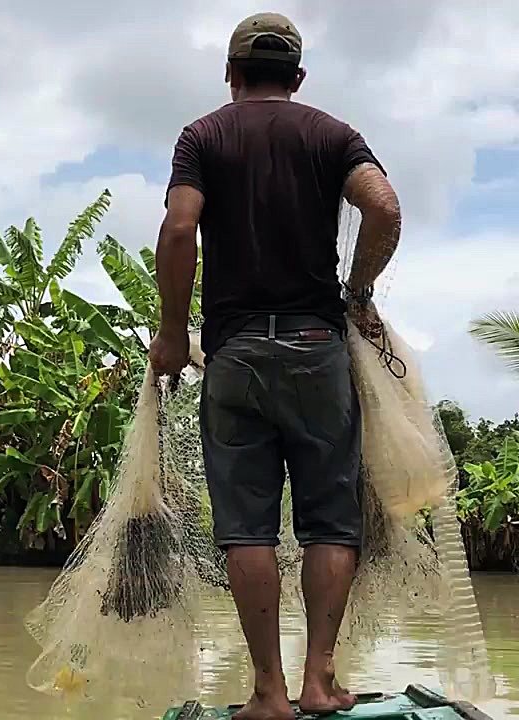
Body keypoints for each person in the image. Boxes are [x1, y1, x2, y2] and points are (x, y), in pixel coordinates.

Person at [148, 11, 402, 720]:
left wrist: (173, 332)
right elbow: (382, 206)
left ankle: (268, 694)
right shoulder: (331, 134)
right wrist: (358, 292)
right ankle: (319, 683)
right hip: (318, 349)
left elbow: (178, 227)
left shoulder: (202, 137)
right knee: (329, 521)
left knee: (248, 528)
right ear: (297, 78)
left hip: (233, 355)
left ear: (231, 75)